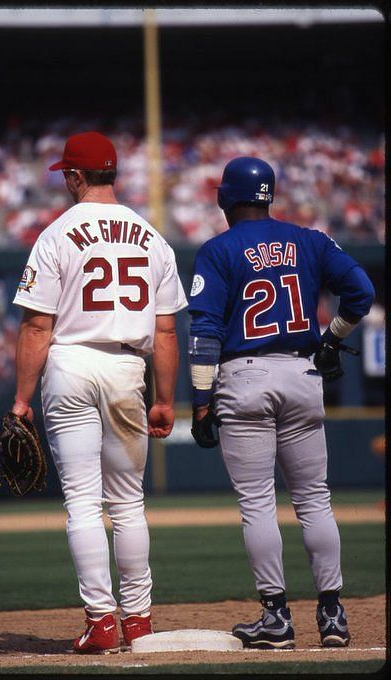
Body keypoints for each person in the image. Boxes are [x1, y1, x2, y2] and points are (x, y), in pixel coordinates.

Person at [11, 131, 187, 654]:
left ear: (75, 176)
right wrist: (163, 398)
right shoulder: (152, 236)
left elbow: (38, 327)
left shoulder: (56, 233)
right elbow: (167, 332)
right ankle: (138, 620)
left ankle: (101, 621)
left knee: (83, 503)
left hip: (71, 364)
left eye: (66, 172)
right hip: (129, 369)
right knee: (129, 503)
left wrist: (21, 402)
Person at [188, 156, 374, 649]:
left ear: (226, 197)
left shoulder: (217, 249)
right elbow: (361, 291)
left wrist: (201, 399)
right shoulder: (309, 240)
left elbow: (205, 331)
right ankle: (332, 614)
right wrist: (332, 339)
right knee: (315, 499)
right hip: (302, 373)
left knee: (258, 506)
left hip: (244, 378)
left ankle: (276, 618)